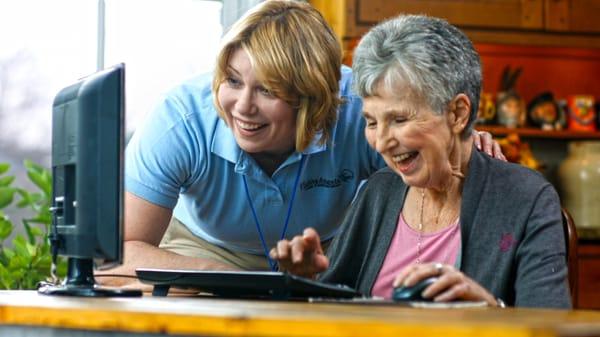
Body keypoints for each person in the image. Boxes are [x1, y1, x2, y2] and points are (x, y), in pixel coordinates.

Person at [105, 1, 502, 284]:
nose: (242, 107)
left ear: (314, 98)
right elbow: (116, 256)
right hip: (205, 253)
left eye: (268, 91)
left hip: (324, 255)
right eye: (232, 80)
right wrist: (231, 280)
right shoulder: (181, 118)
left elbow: (434, 166)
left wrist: (455, 143)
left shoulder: (360, 109)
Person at [270, 14, 571, 308]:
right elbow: (335, 307)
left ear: (457, 114)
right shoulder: (378, 192)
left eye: (399, 119)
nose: (382, 142)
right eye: (372, 122)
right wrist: (305, 282)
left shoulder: (526, 198)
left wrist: (490, 310)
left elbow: (552, 326)